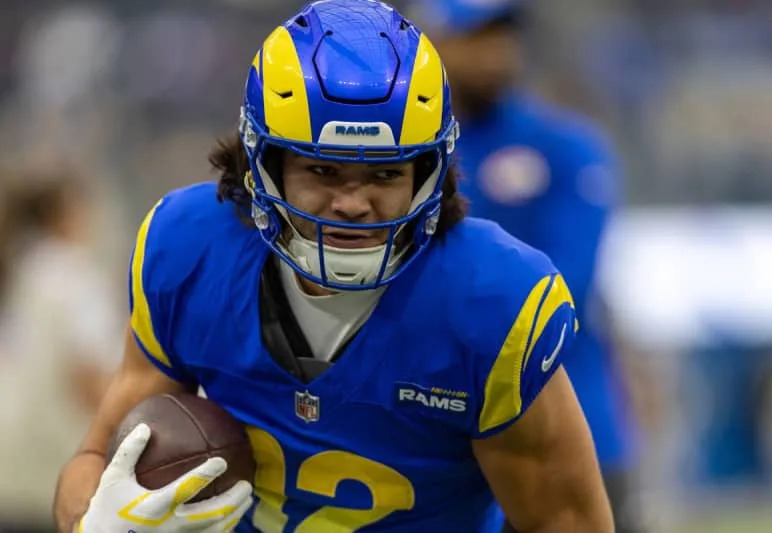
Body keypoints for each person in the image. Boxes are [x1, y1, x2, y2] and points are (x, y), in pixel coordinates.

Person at [53, 1, 613, 531]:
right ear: (263, 164)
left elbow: (566, 522)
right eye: (322, 171)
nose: (352, 202)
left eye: (385, 174)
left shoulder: (488, 300)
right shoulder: (191, 248)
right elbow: (94, 457)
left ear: (428, 172)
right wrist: (96, 520)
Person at [409, 0, 644, 530]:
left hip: (572, 426)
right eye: (475, 36)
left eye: (503, 35)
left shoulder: (568, 149)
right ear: (431, 43)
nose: (494, 53)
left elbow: (561, 290)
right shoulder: (402, 158)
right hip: (435, 435)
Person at [0, 170, 122, 531]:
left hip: (8, 465)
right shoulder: (74, 278)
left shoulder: (18, 269)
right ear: (64, 212)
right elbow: (90, 383)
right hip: (55, 471)